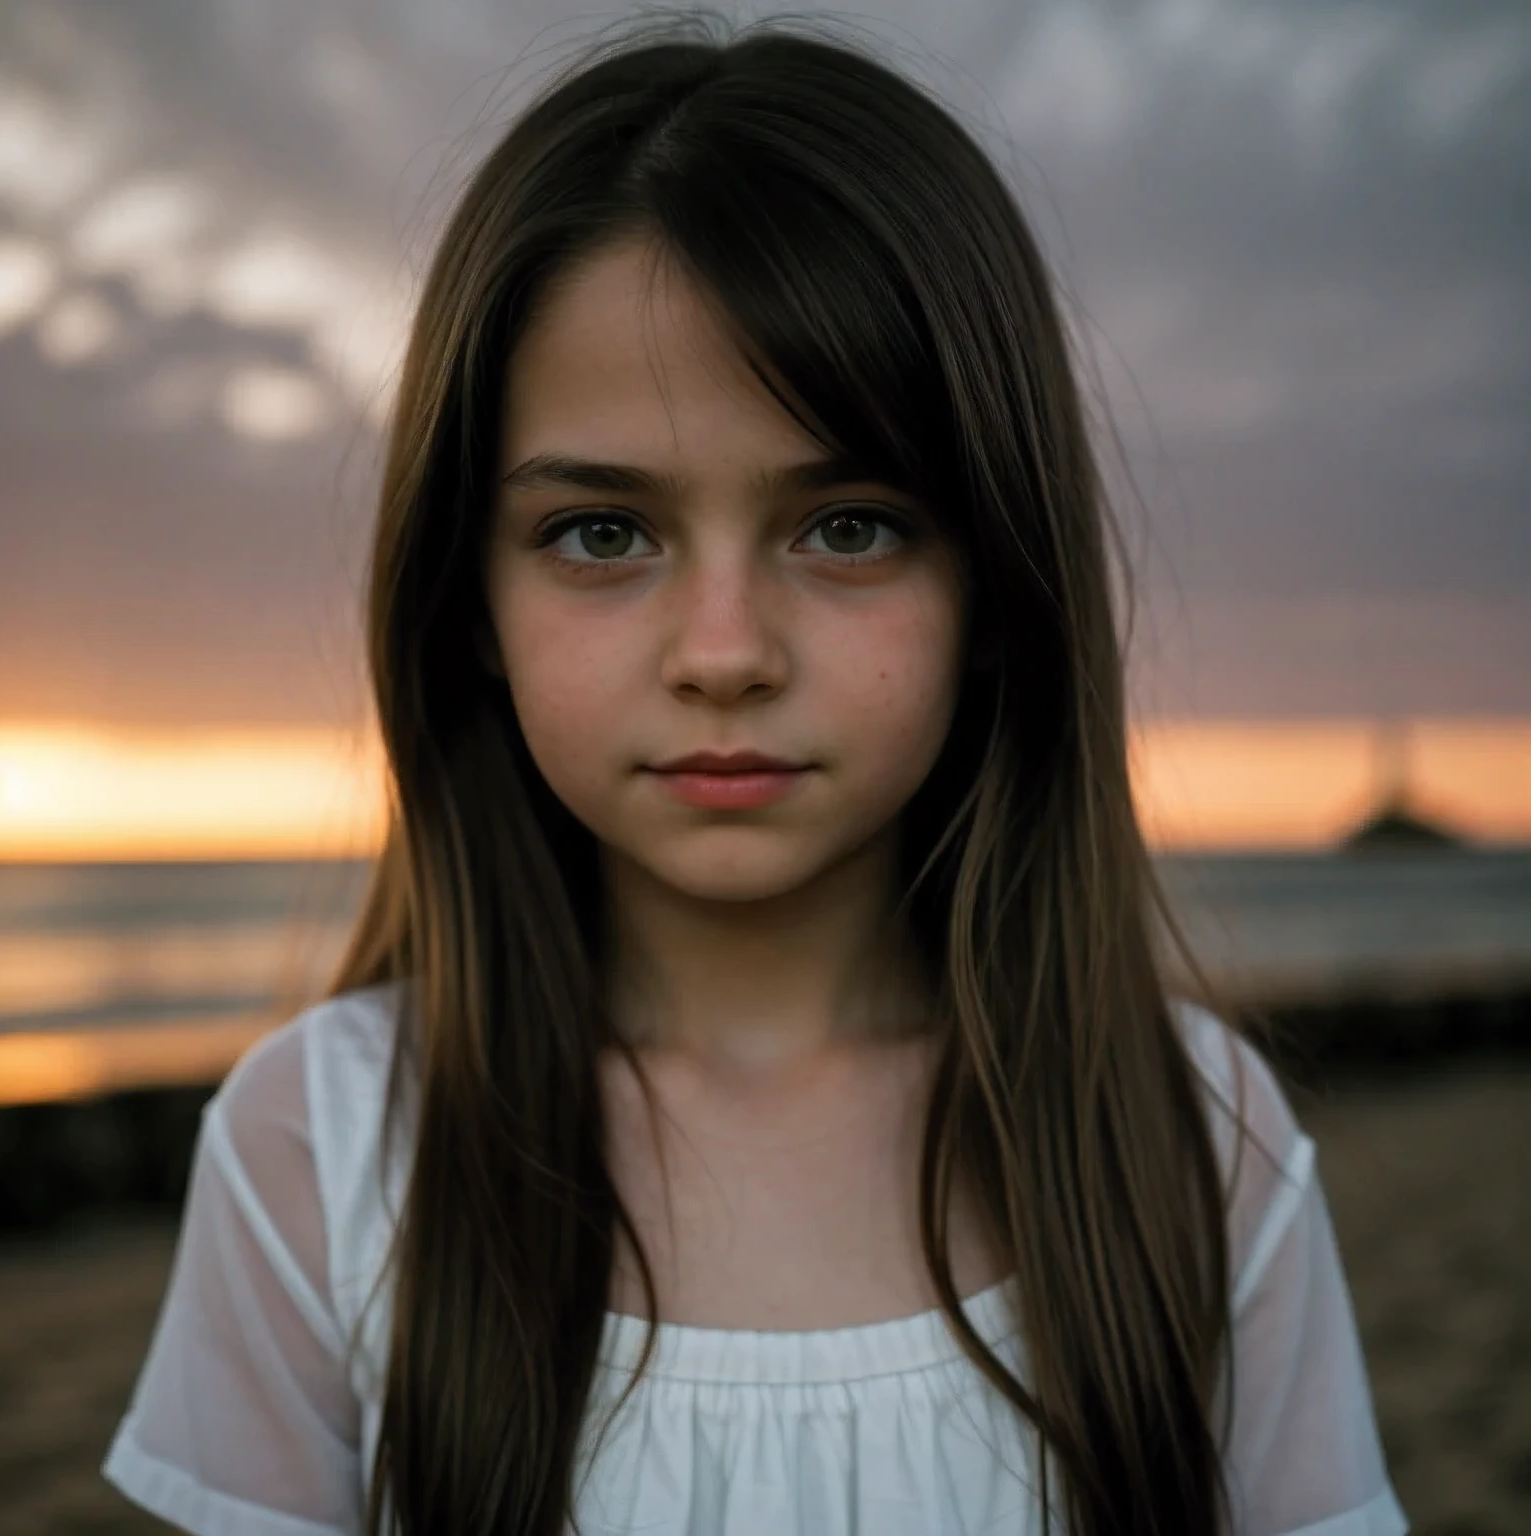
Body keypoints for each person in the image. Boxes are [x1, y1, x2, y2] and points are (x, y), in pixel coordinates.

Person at [103, 16, 1408, 1536]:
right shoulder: (319, 1155)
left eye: (847, 525)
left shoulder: (1190, 1142)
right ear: (470, 602)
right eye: (603, 533)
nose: (723, 651)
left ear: (997, 580)